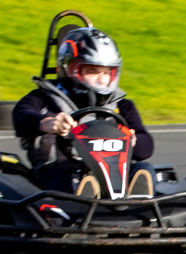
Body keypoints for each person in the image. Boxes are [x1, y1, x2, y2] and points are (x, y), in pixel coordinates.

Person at [12, 26, 155, 197]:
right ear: (69, 69)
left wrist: (133, 141)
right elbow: (21, 116)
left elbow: (146, 148)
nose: (101, 79)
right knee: (66, 177)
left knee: (143, 168)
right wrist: (48, 123)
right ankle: (82, 198)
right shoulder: (43, 98)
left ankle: (138, 203)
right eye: (92, 71)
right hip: (59, 172)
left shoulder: (121, 106)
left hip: (112, 173)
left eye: (107, 72)